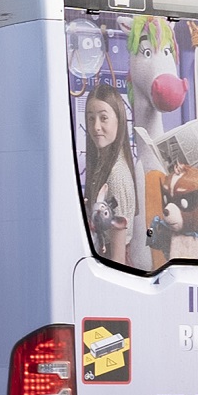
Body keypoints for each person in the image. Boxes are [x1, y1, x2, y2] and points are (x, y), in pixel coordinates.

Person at [82, 84, 138, 266]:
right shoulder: (102, 165)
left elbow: (118, 260)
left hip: (113, 266)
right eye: (91, 118)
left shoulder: (115, 174)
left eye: (104, 118)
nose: (96, 127)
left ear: (119, 120)